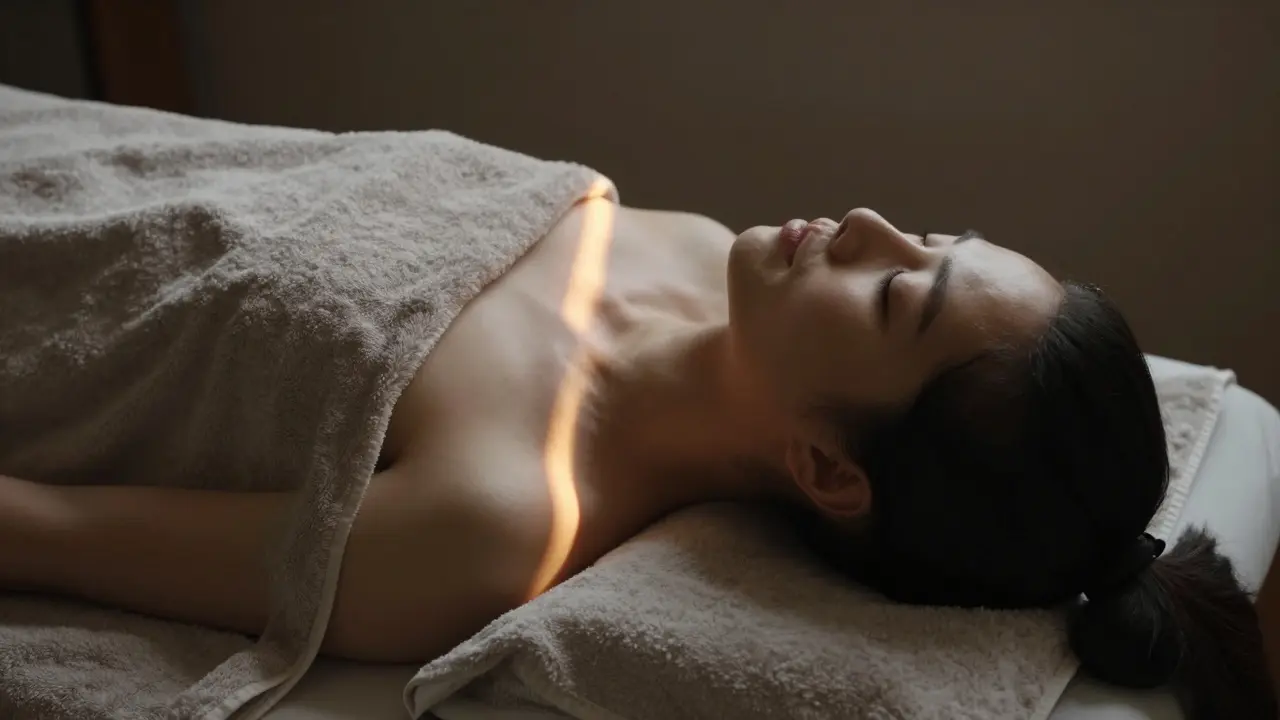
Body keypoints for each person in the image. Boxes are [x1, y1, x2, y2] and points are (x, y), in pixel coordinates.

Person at [0, 204, 1273, 718]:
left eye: (895, 296)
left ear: (832, 475)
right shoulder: (688, 246)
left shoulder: (495, 522)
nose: (866, 226)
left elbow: (43, 527)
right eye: (928, 230)